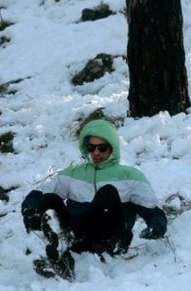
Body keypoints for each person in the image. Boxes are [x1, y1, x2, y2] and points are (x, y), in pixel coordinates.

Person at [21, 119, 167, 279]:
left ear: (112, 148)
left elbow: (152, 210)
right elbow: (43, 193)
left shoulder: (129, 176)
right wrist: (32, 207)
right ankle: (59, 257)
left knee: (108, 193)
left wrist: (156, 227)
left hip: (111, 238)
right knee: (49, 199)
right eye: (91, 148)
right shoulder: (73, 174)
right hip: (79, 235)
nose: (96, 153)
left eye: (102, 148)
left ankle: (83, 255)